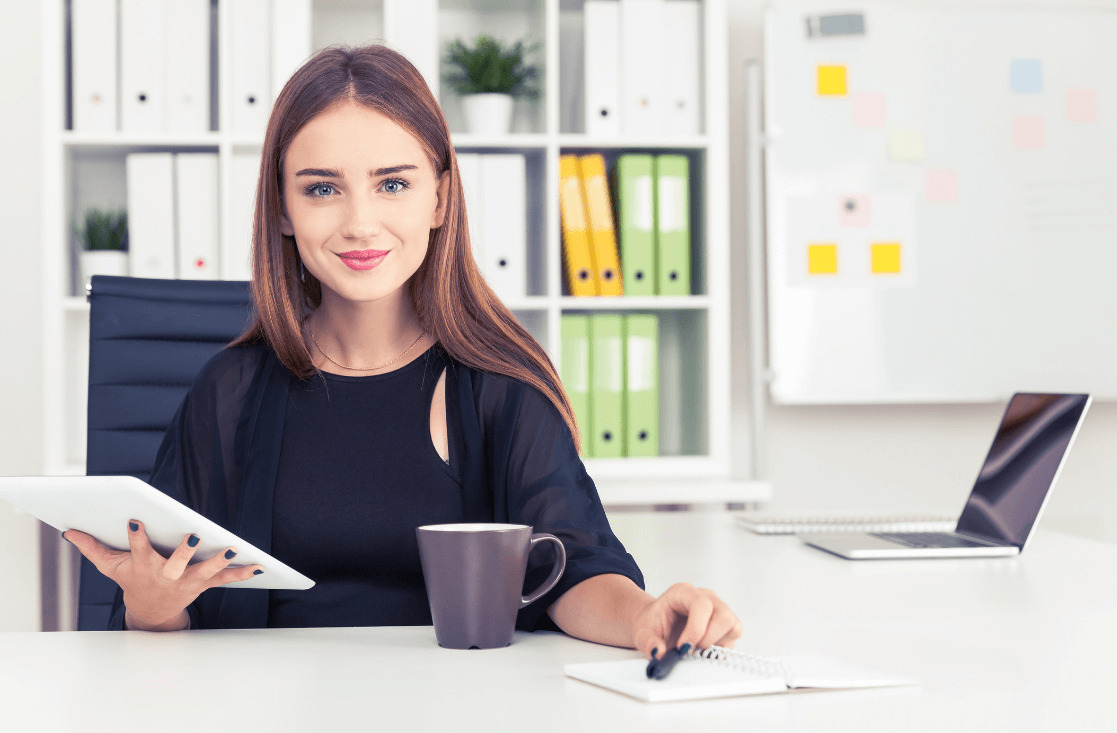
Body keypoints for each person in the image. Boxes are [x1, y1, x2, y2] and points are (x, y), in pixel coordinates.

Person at [64, 45, 742, 658]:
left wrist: (645, 615)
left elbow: (575, 568)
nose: (360, 222)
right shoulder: (229, 391)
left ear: (439, 199)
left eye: (393, 184)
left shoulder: (498, 385)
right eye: (322, 188)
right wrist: (151, 607)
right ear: (281, 209)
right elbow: (164, 612)